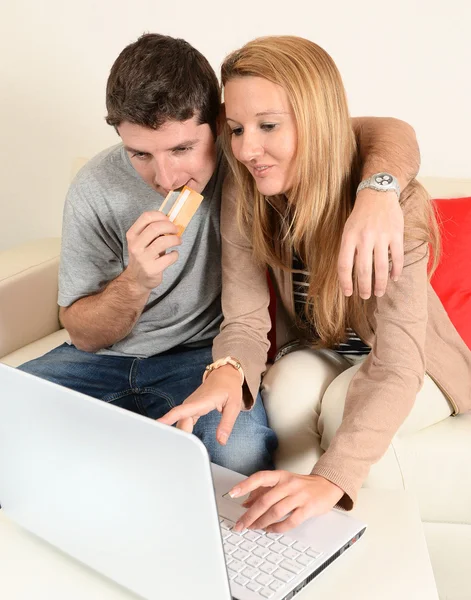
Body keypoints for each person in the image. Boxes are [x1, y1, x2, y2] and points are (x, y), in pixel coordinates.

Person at [20, 33, 422, 476]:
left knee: (238, 455)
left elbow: (379, 131)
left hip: (201, 353)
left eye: (182, 149)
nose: (166, 177)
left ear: (216, 123)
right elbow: (81, 333)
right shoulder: (97, 186)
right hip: (99, 361)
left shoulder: (248, 168)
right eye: (139, 154)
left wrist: (378, 191)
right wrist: (136, 281)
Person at [159, 35, 471, 533]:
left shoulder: (392, 206)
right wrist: (226, 370)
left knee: (343, 404)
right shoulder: (248, 196)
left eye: (267, 126)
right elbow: (243, 319)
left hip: (413, 362)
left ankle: (368, 551)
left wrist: (333, 477)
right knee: (283, 389)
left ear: (317, 120)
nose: (246, 149)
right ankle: (290, 546)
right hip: (324, 347)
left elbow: (397, 363)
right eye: (236, 129)